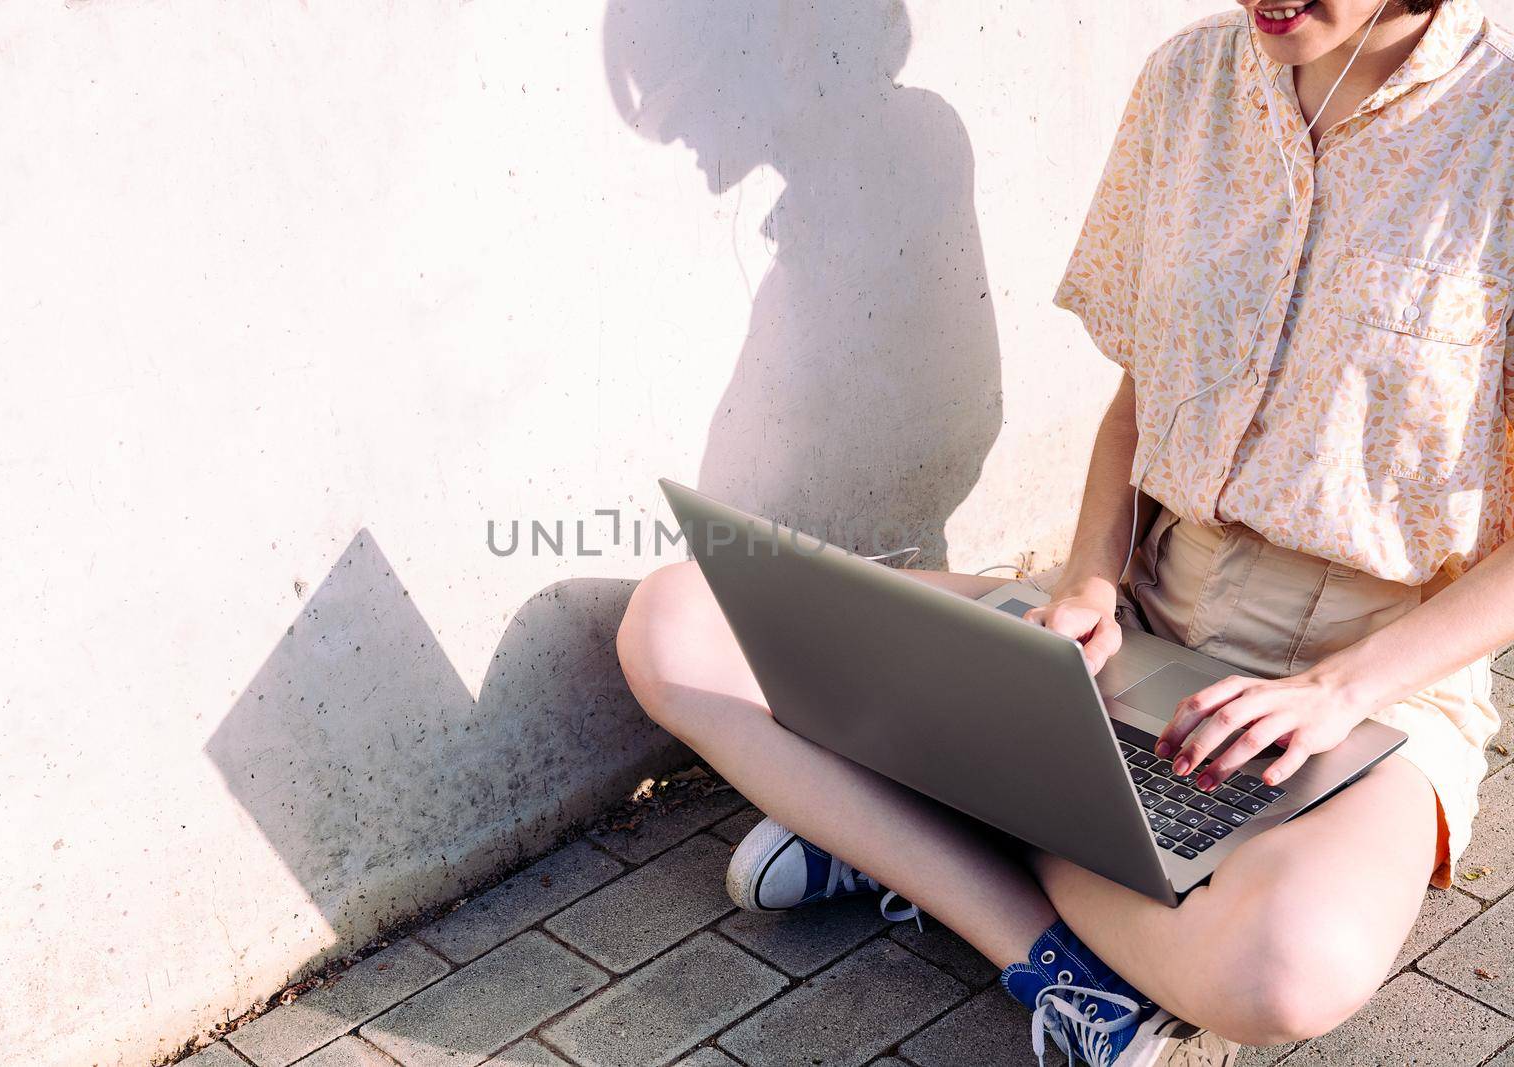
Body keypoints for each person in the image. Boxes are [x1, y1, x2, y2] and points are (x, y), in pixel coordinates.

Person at [616, 0, 1514, 1063]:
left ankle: (909, 817)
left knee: (1283, 968)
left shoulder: (1497, 128)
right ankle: (1051, 957)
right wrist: (1090, 582)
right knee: (679, 620)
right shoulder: (1188, 82)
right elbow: (1137, 400)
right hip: (1143, 596)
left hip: (1371, 672)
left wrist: (1339, 689)